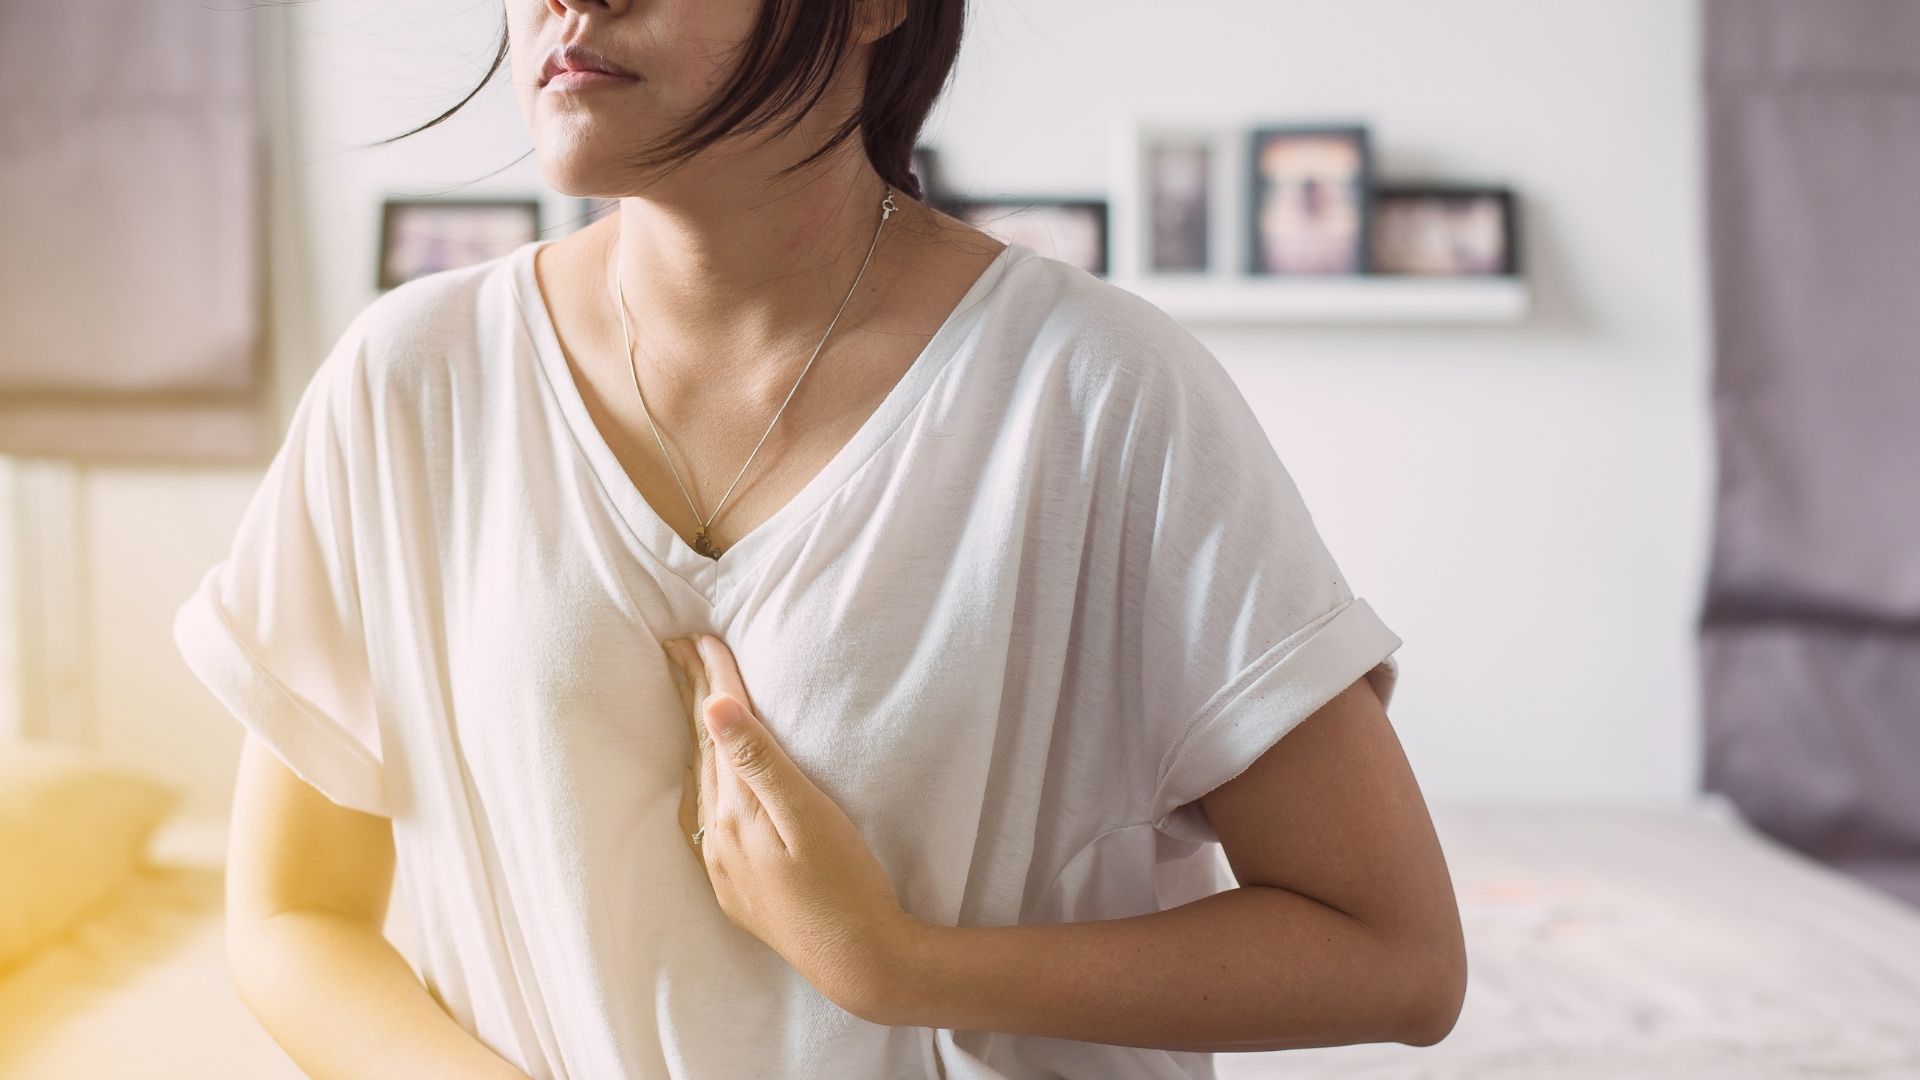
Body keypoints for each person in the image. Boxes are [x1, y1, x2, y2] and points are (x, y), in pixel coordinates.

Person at [172, 0, 1466, 1076]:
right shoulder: (413, 379)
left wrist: (898, 966)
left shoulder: (1096, 394)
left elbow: (1394, 955)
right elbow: (292, 910)